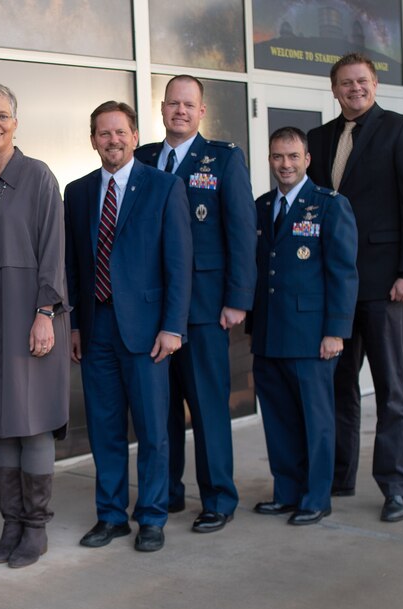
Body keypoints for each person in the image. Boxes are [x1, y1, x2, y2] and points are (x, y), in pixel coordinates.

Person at [307, 52, 403, 522]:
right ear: (334, 89)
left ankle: (395, 486)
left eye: (361, 81)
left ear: (375, 85)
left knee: (390, 390)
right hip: (334, 287)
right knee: (339, 387)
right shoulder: (318, 139)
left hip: (385, 285)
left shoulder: (402, 130)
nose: (354, 89)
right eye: (345, 83)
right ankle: (340, 475)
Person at [64, 101, 192, 553]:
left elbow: (179, 264)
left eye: (120, 132)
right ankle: (112, 516)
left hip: (147, 332)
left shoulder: (164, 187)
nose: (112, 140)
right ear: (93, 139)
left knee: (153, 429)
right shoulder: (77, 193)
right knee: (104, 429)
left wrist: (173, 327)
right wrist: (75, 326)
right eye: (103, 133)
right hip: (97, 331)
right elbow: (74, 269)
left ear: (135, 137)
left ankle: (153, 517)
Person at [134, 75, 256, 533]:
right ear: (162, 109)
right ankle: (168, 492)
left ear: (201, 111)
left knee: (206, 406)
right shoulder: (144, 158)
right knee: (160, 408)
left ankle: (219, 498)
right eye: (173, 104)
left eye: (189, 104)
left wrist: (238, 299)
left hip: (205, 309)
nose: (180, 111)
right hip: (153, 308)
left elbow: (242, 231)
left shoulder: (223, 159)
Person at [0, 83, 70, 568]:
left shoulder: (38, 176)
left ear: (16, 121)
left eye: (3, 115)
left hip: (30, 312)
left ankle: (36, 526)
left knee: (32, 422)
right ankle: (11, 523)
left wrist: (46, 313)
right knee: (0, 423)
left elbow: (53, 250)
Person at [247, 127, 358, 526]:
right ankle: (287, 492)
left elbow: (343, 273)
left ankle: (316, 496)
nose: (285, 164)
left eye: (293, 156)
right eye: (278, 156)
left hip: (312, 336)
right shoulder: (261, 207)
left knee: (316, 421)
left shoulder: (329, 205)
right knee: (278, 421)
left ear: (307, 159)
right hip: (269, 333)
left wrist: (336, 331)